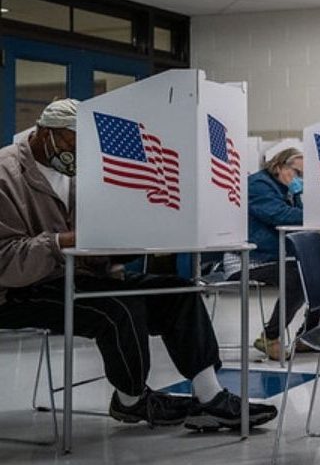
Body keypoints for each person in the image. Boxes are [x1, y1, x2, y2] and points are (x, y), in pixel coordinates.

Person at [0, 99, 277, 431]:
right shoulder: (6, 174)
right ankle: (131, 401)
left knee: (178, 291)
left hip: (79, 275)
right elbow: (5, 258)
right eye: (73, 140)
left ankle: (210, 397)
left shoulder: (80, 171)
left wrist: (123, 240)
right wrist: (65, 242)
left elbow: (94, 237)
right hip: (18, 290)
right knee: (119, 308)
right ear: (46, 132)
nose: (80, 152)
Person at [224, 148, 306, 361]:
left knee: (318, 271)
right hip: (246, 261)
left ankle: (307, 334)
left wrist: (297, 195)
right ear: (279, 166)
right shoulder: (258, 185)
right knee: (298, 275)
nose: (299, 178)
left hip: (269, 257)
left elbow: (297, 220)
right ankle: (270, 337)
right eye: (297, 172)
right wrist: (314, 211)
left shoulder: (285, 188)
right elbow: (280, 216)